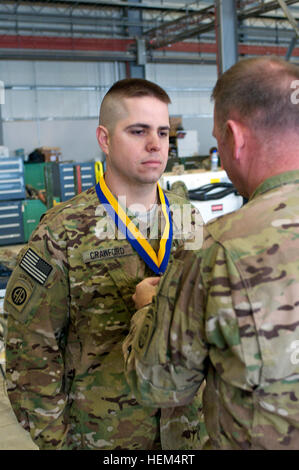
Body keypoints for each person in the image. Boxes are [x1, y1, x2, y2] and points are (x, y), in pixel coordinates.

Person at [4, 78, 203, 450]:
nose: (155, 144)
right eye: (138, 131)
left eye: (163, 132)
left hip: (187, 432)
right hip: (105, 436)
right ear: (105, 139)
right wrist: (58, 443)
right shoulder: (62, 231)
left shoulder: (187, 217)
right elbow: (29, 351)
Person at [123, 56, 299, 450]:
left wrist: (146, 311)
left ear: (234, 138)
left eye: (218, 140)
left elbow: (159, 385)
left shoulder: (219, 245)